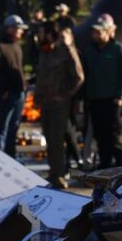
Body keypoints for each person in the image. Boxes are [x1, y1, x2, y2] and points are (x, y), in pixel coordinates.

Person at [34, 23, 84, 189]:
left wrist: (65, 96)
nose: (39, 36)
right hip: (45, 103)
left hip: (59, 104)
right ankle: (53, 172)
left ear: (50, 34)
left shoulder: (65, 51)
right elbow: (41, 77)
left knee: (57, 140)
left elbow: (79, 77)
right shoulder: (44, 52)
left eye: (42, 33)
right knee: (49, 139)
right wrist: (37, 97)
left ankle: (59, 174)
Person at [82, 14, 122, 169]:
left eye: (99, 32)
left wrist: (120, 96)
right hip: (94, 100)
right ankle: (105, 168)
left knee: (115, 137)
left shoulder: (120, 50)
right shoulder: (89, 51)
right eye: (94, 32)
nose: (95, 35)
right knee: (100, 136)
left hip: (112, 101)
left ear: (108, 32)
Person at [0, 15, 28, 156]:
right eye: (18, 28)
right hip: (8, 93)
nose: (20, 31)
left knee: (14, 127)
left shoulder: (17, 46)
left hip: (20, 91)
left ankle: (11, 156)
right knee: (3, 127)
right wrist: (2, 89)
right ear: (9, 29)